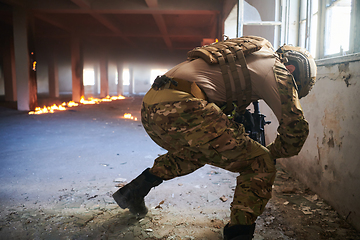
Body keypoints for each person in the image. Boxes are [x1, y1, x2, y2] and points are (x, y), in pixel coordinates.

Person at [112, 36, 317, 240]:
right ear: (292, 70)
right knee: (259, 163)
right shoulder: (278, 69)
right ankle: (239, 235)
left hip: (151, 110)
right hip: (183, 106)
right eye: (297, 87)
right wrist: (269, 153)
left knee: (198, 152)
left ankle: (133, 193)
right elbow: (295, 131)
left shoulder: (248, 55)